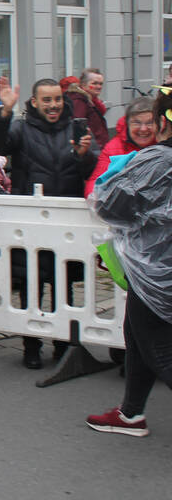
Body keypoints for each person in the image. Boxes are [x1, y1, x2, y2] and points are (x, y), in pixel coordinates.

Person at [0, 76, 97, 369]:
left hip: (66, 223)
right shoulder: (21, 128)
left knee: (64, 288)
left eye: (57, 99)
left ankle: (63, 345)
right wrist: (4, 112)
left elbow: (93, 169)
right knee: (31, 287)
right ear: (34, 102)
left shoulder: (76, 127)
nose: (53, 105)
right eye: (46, 100)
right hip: (30, 224)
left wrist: (84, 156)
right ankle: (31, 345)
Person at [85, 87, 172, 437]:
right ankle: (131, 413)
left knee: (158, 348)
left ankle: (131, 413)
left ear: (163, 121)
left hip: (158, 271)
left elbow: (108, 204)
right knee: (137, 337)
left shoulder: (157, 160)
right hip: (156, 269)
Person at [85, 97, 156, 197]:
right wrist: (96, 198)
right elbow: (96, 181)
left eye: (150, 123)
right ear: (127, 123)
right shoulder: (113, 148)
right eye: (137, 123)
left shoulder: (164, 146)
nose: (143, 129)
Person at [66, 68, 109, 149]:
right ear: (83, 84)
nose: (99, 87)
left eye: (101, 84)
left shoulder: (92, 101)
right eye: (95, 83)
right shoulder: (79, 101)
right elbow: (77, 128)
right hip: (91, 150)